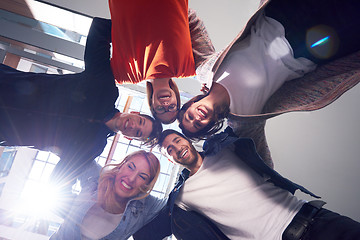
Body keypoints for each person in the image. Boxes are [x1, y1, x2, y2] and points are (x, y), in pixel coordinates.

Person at [178, 0, 360, 165]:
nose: (197, 118)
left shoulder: (204, 71)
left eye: (189, 117)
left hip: (282, 14)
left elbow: (190, 22)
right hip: (309, 50)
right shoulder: (243, 122)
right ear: (210, 125)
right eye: (198, 125)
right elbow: (262, 162)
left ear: (191, 104)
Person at [0, 18, 162, 187]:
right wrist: (143, 34)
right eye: (141, 122)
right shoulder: (105, 88)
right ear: (135, 113)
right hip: (5, 83)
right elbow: (100, 29)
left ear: (129, 138)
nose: (134, 126)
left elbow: (58, 180)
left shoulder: (93, 147)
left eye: (137, 133)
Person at [134, 129, 360, 240]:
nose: (176, 148)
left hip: (314, 217)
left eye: (177, 141)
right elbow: (148, 234)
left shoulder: (226, 147)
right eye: (169, 150)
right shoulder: (181, 197)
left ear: (187, 139)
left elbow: (244, 115)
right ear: (170, 159)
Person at [108, 0, 197, 124]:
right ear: (177, 100)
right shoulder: (188, 67)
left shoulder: (124, 75)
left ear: (152, 104)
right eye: (172, 107)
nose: (166, 105)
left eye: (161, 109)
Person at [50, 150, 166, 240]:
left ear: (147, 184)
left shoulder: (147, 205)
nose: (131, 178)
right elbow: (74, 152)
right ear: (122, 165)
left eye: (142, 176)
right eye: (130, 167)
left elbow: (178, 200)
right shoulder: (97, 177)